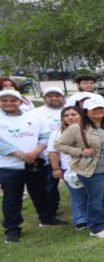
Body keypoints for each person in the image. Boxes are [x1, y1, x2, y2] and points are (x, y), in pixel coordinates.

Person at [55, 98, 104, 239]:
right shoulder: (76, 128)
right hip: (93, 170)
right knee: (96, 199)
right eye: (94, 109)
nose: (99, 111)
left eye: (102, 108)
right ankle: (97, 227)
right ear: (86, 112)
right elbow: (59, 145)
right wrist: (81, 151)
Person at [0, 89, 64, 242]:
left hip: (34, 162)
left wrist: (35, 152)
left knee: (40, 192)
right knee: (12, 198)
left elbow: (45, 136)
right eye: (4, 100)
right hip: (9, 166)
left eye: (13, 100)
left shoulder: (34, 117)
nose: (9, 103)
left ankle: (46, 218)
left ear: (20, 102)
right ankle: (13, 229)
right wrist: (20, 155)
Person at [47, 106, 89, 231]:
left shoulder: (88, 129)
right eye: (66, 115)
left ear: (81, 115)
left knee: (93, 193)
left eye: (73, 114)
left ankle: (95, 216)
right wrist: (55, 168)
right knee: (77, 194)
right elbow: (53, 152)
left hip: (90, 167)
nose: (70, 117)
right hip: (69, 169)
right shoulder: (57, 133)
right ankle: (80, 219)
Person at [32, 87, 66, 222]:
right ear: (44, 98)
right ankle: (50, 211)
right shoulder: (36, 113)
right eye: (50, 96)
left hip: (69, 155)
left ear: (63, 97)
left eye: (57, 95)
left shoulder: (70, 110)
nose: (54, 98)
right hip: (47, 155)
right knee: (49, 185)